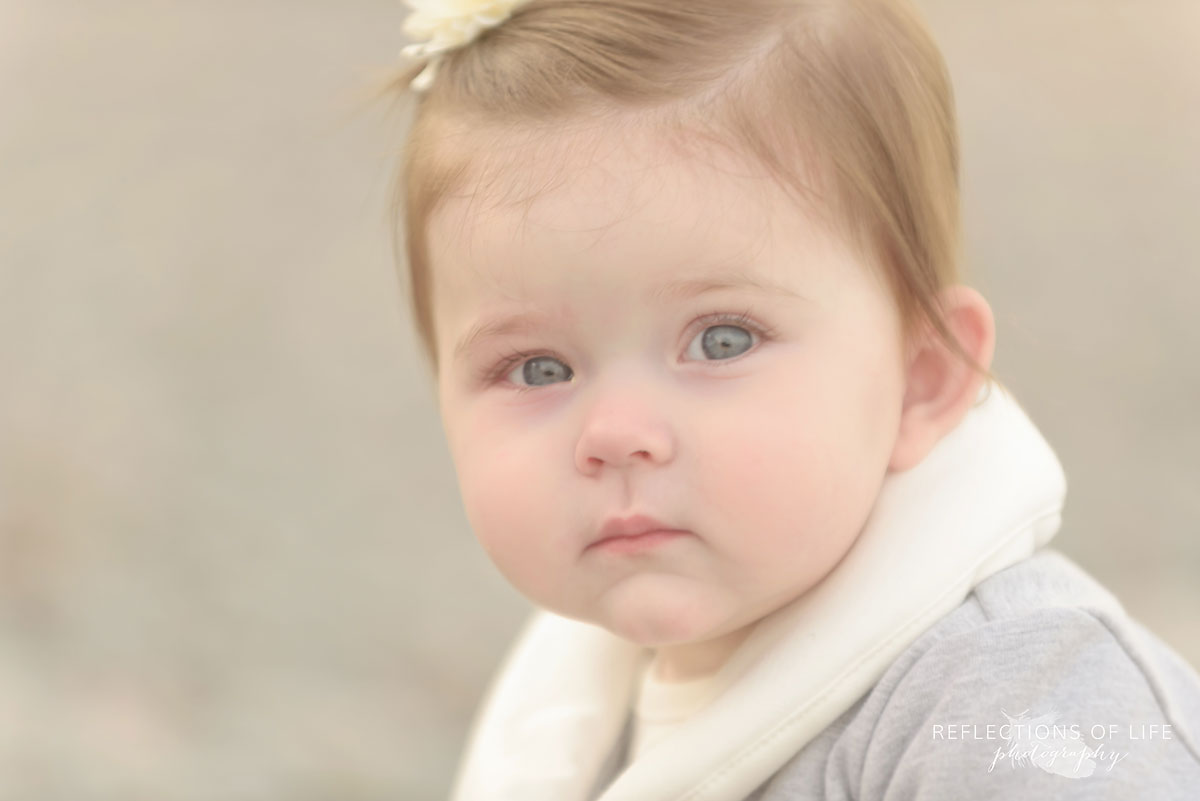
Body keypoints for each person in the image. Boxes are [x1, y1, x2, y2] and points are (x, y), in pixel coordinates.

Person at [378, 0, 1200, 798]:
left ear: (921, 378)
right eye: (537, 369)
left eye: (722, 341)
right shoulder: (570, 715)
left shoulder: (1014, 696)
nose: (618, 434)